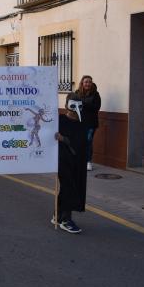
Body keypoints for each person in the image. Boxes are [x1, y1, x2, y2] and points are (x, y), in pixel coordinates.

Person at [53, 93, 88, 234]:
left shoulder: (82, 123)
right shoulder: (59, 120)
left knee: (70, 187)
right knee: (69, 188)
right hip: (62, 161)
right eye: (72, 106)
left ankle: (57, 215)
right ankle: (66, 220)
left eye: (78, 106)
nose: (75, 110)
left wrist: (65, 139)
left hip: (77, 161)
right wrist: (59, 138)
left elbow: (81, 143)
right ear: (67, 105)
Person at [76, 75, 101, 171]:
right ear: (82, 83)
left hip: (90, 123)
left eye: (89, 82)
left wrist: (83, 104)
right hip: (79, 122)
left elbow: (96, 108)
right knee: (79, 142)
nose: (87, 84)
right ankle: (80, 160)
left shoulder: (95, 94)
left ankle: (88, 161)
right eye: (86, 82)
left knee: (88, 141)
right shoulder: (77, 93)